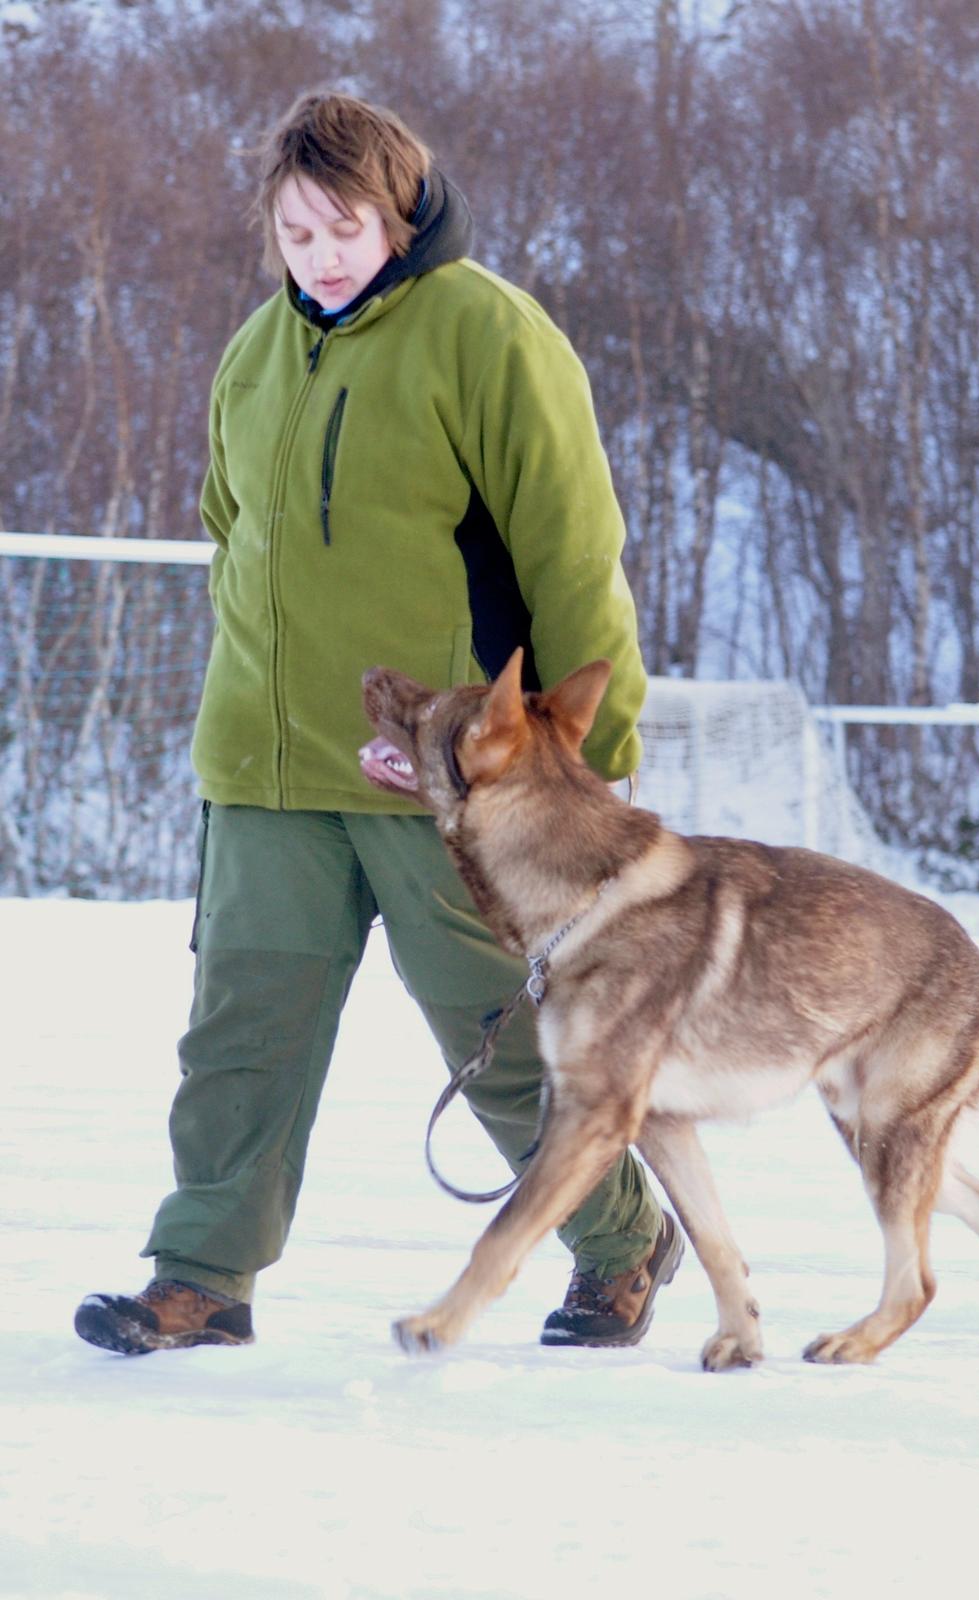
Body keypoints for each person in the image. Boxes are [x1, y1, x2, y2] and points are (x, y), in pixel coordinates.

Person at [74, 91, 681, 1357]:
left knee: (494, 1033)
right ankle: (201, 1272)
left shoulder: (488, 333)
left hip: (456, 779)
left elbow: (574, 551)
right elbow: (227, 530)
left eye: (345, 226)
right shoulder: (255, 351)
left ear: (398, 209)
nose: (323, 254)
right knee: (242, 1034)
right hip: (267, 764)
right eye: (297, 232)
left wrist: (591, 760)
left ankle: (621, 1241)